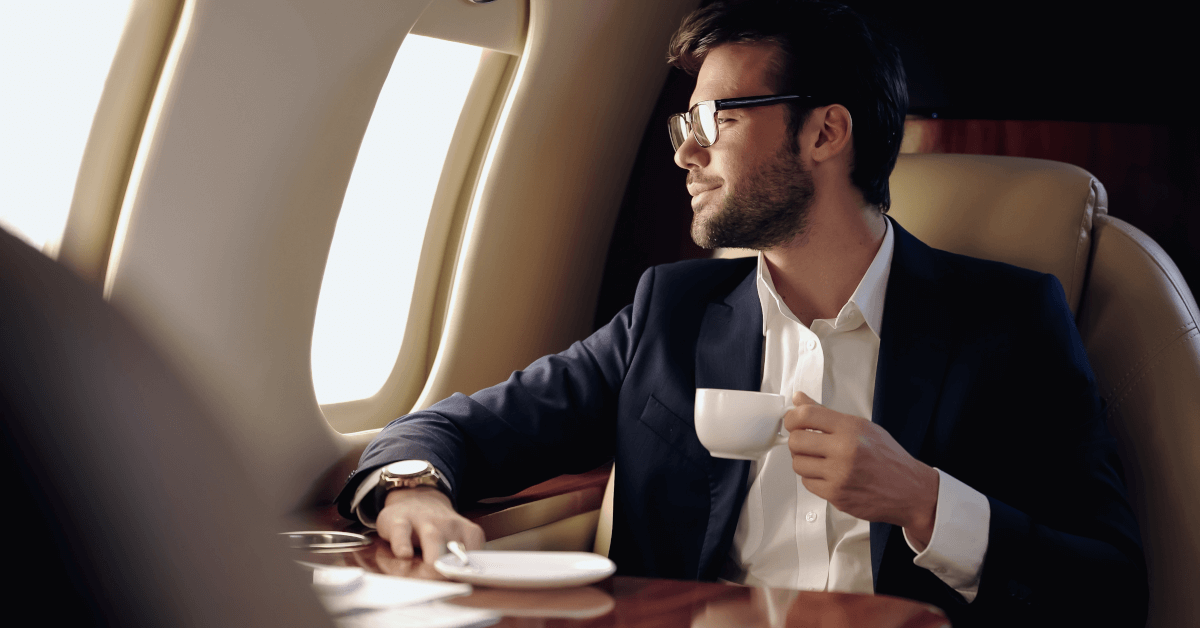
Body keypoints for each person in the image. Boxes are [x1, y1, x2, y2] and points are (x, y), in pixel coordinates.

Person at [337, 1, 1147, 626]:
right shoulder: (669, 315)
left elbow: (1111, 588)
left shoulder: (1006, 323)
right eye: (684, 123)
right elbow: (454, 429)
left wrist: (926, 503)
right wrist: (411, 490)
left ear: (826, 131)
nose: (687, 152)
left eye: (716, 119)